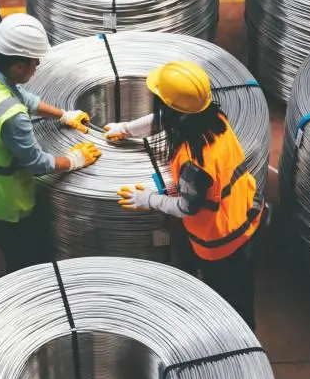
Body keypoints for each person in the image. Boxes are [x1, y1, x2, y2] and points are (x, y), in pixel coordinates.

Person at [106, 61, 264, 331]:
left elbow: (187, 207)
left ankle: (238, 336)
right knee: (241, 287)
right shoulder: (214, 120)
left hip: (222, 242)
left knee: (229, 300)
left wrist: (149, 200)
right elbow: (164, 119)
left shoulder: (194, 161)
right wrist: (126, 129)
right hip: (245, 211)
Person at [0, 14, 101, 291]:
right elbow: (36, 162)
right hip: (1, 200)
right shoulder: (12, 117)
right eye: (35, 63)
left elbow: (22, 96)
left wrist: (63, 115)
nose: (37, 67)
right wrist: (74, 159)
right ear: (19, 67)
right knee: (22, 254)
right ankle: (17, 296)